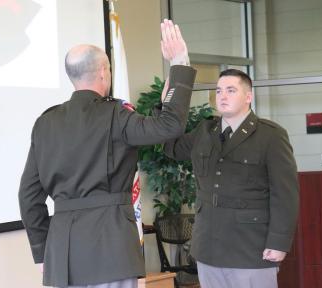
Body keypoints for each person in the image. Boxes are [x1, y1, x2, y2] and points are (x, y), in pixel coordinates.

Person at [18, 19, 196, 288]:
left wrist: (43, 250)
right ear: (103, 72)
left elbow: (29, 196)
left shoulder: (46, 122)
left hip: (63, 255)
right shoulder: (116, 114)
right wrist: (179, 63)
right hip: (111, 249)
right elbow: (169, 127)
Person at [163, 69, 299, 288]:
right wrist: (169, 106)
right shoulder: (204, 131)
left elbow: (285, 194)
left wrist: (279, 242)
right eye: (218, 91)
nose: (222, 96)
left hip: (251, 246)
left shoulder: (271, 136)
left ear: (248, 96)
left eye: (230, 90)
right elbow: (172, 148)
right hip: (209, 246)